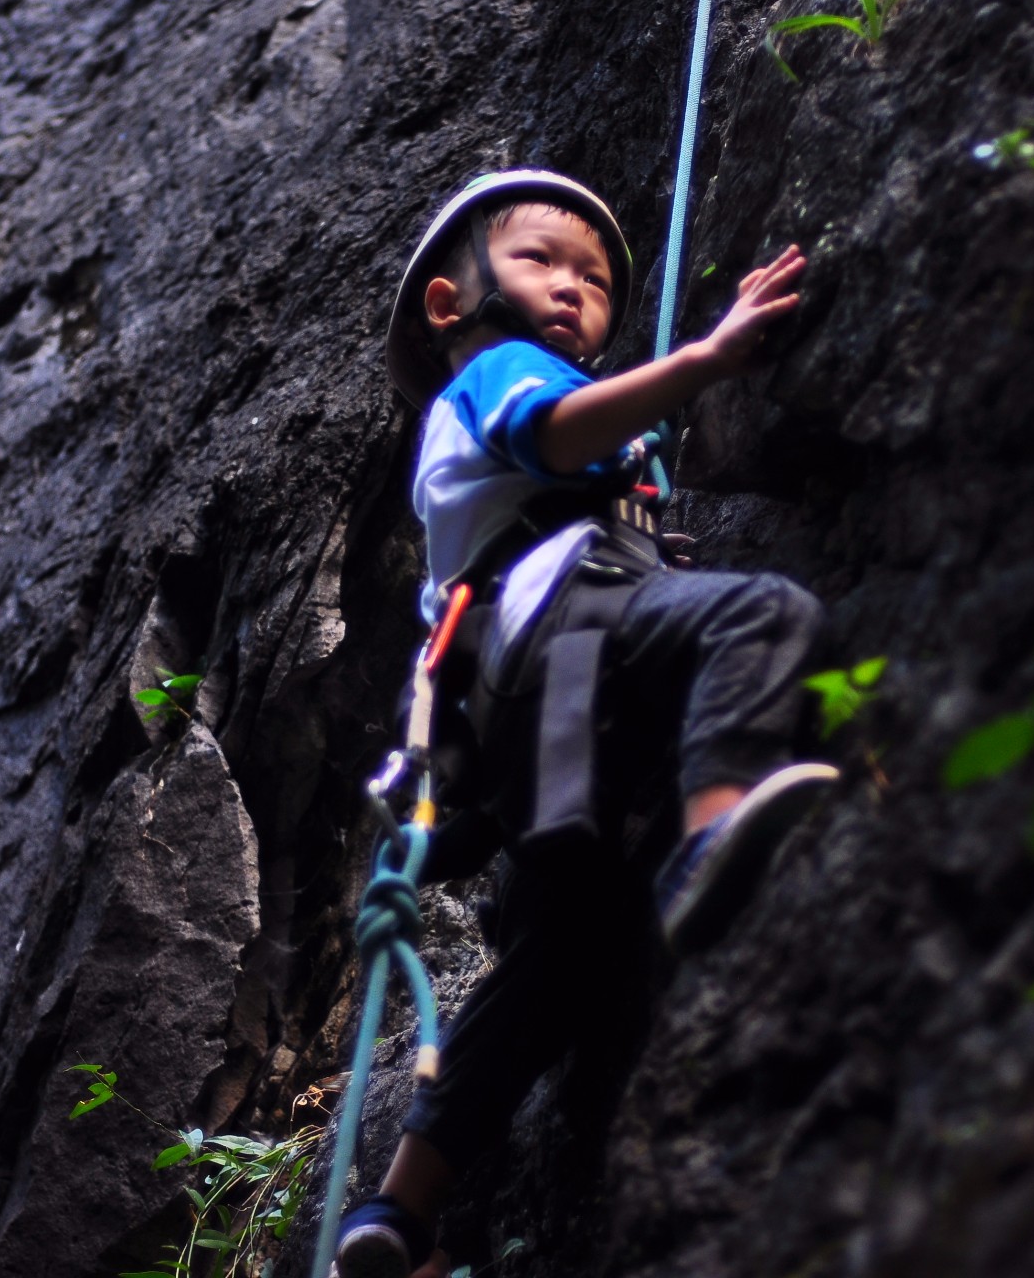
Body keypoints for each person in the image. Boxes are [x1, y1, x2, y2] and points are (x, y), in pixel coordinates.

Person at [333, 171, 837, 1278]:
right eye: (540, 262)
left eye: (595, 279)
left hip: (529, 715)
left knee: (553, 961)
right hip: (569, 629)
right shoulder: (498, 374)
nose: (572, 289)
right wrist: (706, 358)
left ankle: (396, 1214)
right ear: (448, 304)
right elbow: (558, 436)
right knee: (761, 612)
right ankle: (714, 837)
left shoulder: (473, 455)